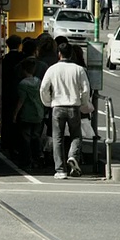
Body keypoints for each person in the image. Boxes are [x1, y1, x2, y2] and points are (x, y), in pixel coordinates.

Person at [39, 43, 91, 179]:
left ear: (59, 54)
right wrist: (83, 102)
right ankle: (73, 156)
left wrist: (48, 102)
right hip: (74, 106)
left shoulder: (52, 69)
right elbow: (86, 90)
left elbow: (43, 88)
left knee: (57, 138)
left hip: (57, 106)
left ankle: (60, 170)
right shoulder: (79, 69)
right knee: (76, 135)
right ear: (72, 54)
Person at [13, 57, 44, 170]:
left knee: (26, 138)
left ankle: (27, 161)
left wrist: (15, 114)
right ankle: (38, 158)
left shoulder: (23, 84)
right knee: (36, 137)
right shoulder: (38, 81)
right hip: (38, 113)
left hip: (27, 114)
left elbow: (21, 100)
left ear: (23, 70)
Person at [0, 34, 25, 154]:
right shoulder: (23, 58)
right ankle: (18, 144)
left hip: (7, 92)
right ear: (19, 45)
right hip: (22, 91)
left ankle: (6, 142)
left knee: (7, 117)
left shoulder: (5, 59)